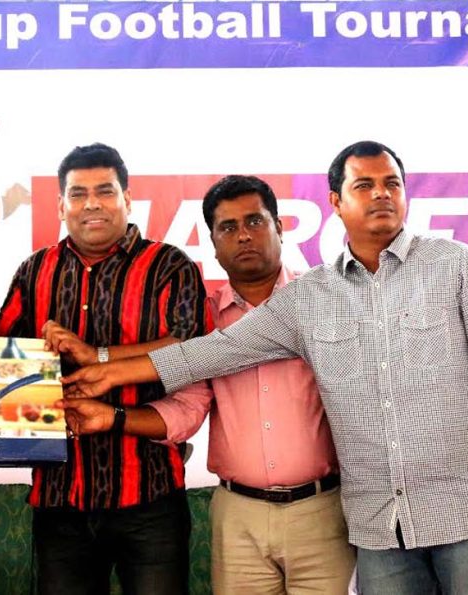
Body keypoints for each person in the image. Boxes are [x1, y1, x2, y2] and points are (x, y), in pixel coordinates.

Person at [63, 141, 468, 595]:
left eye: (391, 183)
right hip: (379, 520)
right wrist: (106, 369)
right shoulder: (309, 298)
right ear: (336, 201)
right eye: (364, 185)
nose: (380, 194)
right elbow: (208, 352)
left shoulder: (453, 265)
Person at [62, 175, 355, 594]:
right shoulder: (204, 319)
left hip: (323, 511)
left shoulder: (325, 302)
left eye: (255, 221)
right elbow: (185, 411)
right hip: (239, 516)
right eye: (228, 228)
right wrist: (111, 417)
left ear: (280, 228)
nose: (244, 236)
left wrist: (102, 362)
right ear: (213, 245)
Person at [0, 143, 210, 595]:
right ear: (61, 205)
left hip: (150, 496)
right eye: (78, 193)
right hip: (59, 498)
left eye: (105, 191)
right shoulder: (35, 271)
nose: (91, 203)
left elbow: (191, 348)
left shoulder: (169, 266)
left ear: (128, 198)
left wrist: (99, 355)